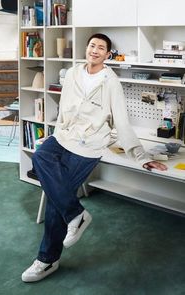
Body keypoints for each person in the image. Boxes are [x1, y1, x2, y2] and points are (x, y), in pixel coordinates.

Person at [21, 33, 167, 282]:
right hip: (64, 136)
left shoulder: (111, 82)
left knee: (59, 196)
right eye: (92, 45)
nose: (95, 50)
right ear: (86, 49)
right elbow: (65, 106)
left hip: (89, 145)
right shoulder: (73, 74)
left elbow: (121, 121)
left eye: (101, 48)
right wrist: (57, 133)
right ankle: (76, 215)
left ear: (107, 55)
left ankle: (46, 260)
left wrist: (140, 156)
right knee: (41, 156)